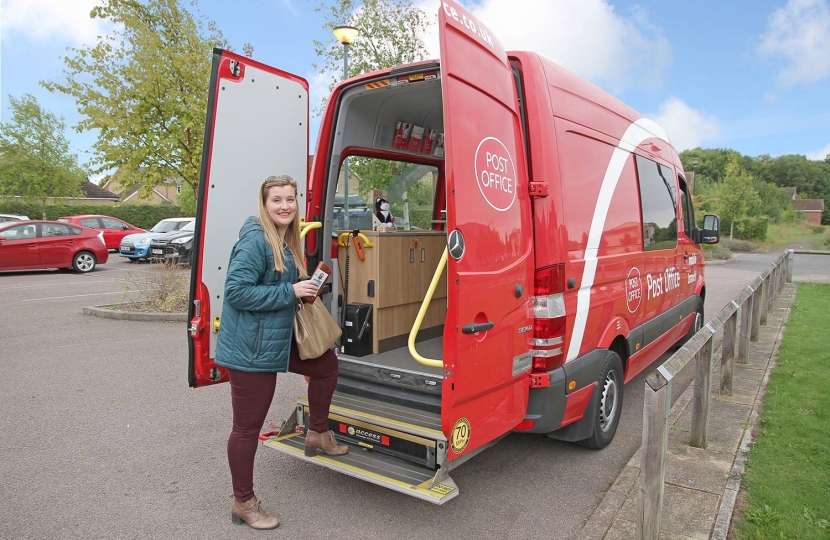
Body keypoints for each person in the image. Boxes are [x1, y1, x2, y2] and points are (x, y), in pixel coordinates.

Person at [214, 174, 348, 530]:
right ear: (264, 203)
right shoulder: (256, 240)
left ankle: (317, 432)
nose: (285, 206)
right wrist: (290, 292)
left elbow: (280, 287)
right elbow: (237, 293)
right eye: (277, 200)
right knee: (246, 428)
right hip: (251, 348)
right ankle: (244, 502)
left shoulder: (285, 238)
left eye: (290, 199)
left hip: (277, 335)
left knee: (326, 366)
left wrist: (305, 290)